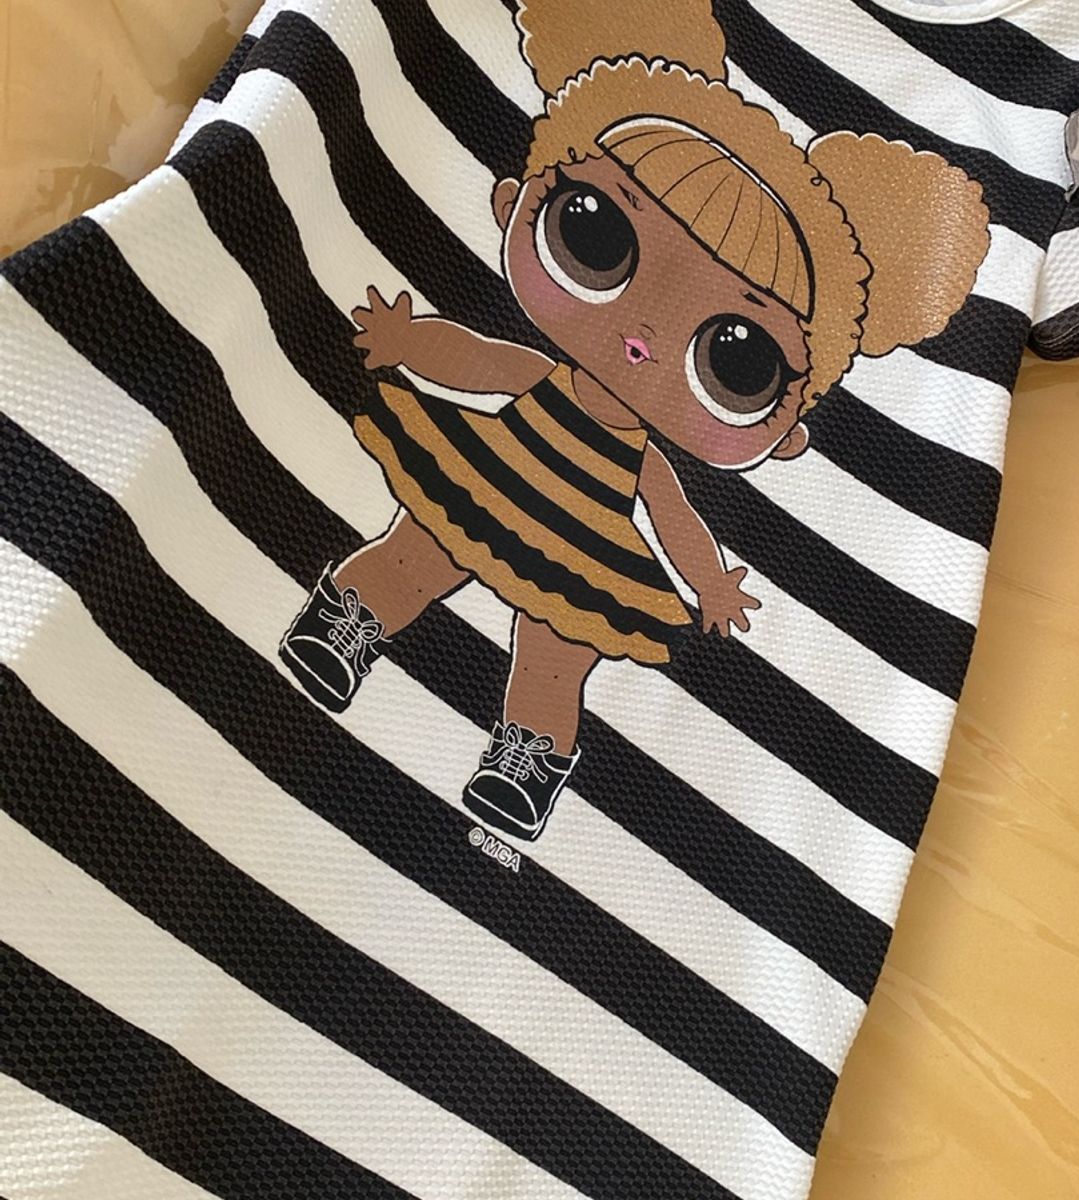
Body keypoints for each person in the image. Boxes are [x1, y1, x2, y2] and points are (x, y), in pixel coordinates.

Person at [280, 0, 991, 842]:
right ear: (514, 204)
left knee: (552, 662)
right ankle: (345, 625)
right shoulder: (544, 377)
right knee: (417, 554)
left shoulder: (1070, 70)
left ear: (788, 430)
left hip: (584, 544)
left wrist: (710, 583)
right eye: (594, 234)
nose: (643, 339)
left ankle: (525, 763)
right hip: (489, 480)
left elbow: (672, 514)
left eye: (738, 361)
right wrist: (409, 344)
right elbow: (479, 360)